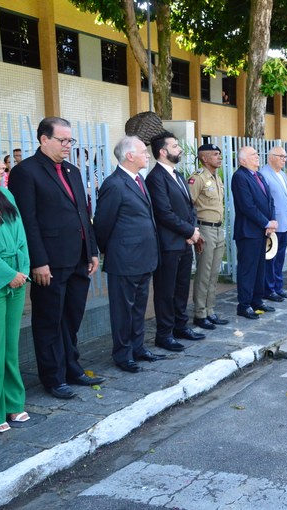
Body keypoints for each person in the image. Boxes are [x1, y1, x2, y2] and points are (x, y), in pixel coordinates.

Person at [8, 117, 103, 400]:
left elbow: (83, 214)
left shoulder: (73, 170)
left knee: (72, 317)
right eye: (62, 140)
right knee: (49, 320)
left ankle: (72, 368)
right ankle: (52, 377)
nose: (67, 145)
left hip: (78, 258)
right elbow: (27, 221)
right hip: (49, 261)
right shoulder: (26, 172)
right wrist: (37, 261)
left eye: (70, 140)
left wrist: (93, 250)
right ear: (43, 140)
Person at [94, 136, 164, 373]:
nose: (148, 155)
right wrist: (110, 251)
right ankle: (123, 354)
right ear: (129, 156)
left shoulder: (138, 180)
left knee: (138, 308)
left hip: (144, 257)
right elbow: (102, 224)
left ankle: (137, 348)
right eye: (143, 151)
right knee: (123, 310)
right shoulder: (114, 184)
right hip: (124, 259)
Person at [145, 132, 204, 353]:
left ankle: (181, 326)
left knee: (181, 288)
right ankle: (165, 334)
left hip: (184, 241)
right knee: (165, 291)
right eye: (175, 146)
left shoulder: (177, 174)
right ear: (163, 151)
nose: (179, 149)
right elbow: (164, 212)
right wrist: (190, 231)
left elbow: (189, 206)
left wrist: (193, 229)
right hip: (168, 244)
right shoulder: (155, 178)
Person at [0, 157, 30, 432]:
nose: (2, 166)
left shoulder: (6, 193)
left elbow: (22, 235)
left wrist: (23, 270)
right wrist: (9, 274)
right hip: (0, 279)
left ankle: (13, 402)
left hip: (17, 278)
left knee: (10, 346)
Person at [231, 147, 277, 319]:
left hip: (262, 231)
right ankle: (244, 304)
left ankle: (257, 300)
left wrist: (271, 221)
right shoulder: (240, 177)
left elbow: (269, 200)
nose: (257, 156)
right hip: (248, 232)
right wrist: (266, 222)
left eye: (258, 154)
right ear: (242, 160)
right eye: (253, 155)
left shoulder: (259, 176)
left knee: (260, 268)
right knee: (247, 269)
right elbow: (247, 205)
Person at [188, 143, 230, 330]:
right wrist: (194, 231)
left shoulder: (215, 177)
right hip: (204, 229)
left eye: (219, 154)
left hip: (218, 229)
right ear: (204, 158)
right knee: (204, 273)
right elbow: (188, 205)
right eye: (215, 154)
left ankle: (209, 310)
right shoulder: (197, 179)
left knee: (214, 273)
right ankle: (199, 313)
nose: (219, 157)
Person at [260, 147, 287, 302]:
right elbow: (265, 202)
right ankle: (269, 289)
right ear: (271, 157)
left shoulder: (282, 174)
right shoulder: (264, 174)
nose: (284, 159)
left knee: (280, 257)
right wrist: (268, 222)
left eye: (285, 157)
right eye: (281, 156)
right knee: (270, 258)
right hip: (272, 224)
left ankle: (278, 287)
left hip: (284, 222)